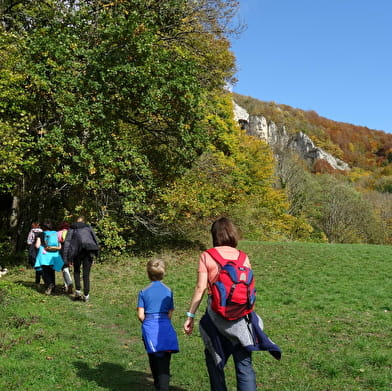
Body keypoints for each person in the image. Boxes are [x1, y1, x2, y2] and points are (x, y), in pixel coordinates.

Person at [183, 217, 281, 391]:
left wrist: (190, 316)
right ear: (232, 233)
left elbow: (200, 288)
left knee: (214, 361)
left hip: (216, 318)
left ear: (214, 235)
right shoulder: (243, 257)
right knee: (244, 366)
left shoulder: (207, 255)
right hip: (242, 319)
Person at [137, 259, 179, 391]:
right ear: (163, 273)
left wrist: (148, 323)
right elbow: (170, 312)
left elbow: (140, 315)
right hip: (165, 327)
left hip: (149, 327)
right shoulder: (168, 291)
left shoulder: (143, 292)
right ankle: (163, 385)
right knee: (165, 360)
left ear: (148, 274)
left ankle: (158, 384)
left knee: (153, 356)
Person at [63, 216, 99, 302]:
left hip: (76, 252)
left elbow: (67, 242)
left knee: (76, 271)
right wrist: (95, 254)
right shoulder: (88, 228)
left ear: (76, 221)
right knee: (86, 274)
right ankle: (86, 295)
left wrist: (66, 258)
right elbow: (95, 240)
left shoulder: (72, 228)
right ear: (84, 222)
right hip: (88, 251)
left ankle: (78, 291)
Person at [34, 221, 64, 295]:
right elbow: (60, 246)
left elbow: (37, 245)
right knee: (51, 270)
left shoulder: (41, 234)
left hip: (44, 254)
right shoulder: (56, 233)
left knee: (45, 271)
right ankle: (53, 287)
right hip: (54, 254)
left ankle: (49, 284)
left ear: (43, 228)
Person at [57, 221, 73, 294]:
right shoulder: (70, 232)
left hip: (61, 251)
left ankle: (68, 283)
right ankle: (66, 285)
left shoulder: (58, 233)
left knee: (64, 268)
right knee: (66, 267)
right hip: (69, 250)